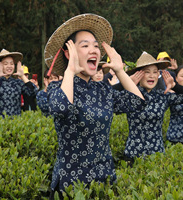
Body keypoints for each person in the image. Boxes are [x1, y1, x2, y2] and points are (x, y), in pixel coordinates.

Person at [43, 13, 146, 197]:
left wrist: (120, 70)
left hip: (104, 179)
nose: (94, 50)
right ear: (68, 53)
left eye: (96, 46)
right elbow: (61, 107)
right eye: (85, 45)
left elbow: (138, 103)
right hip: (71, 185)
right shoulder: (57, 87)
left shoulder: (103, 90)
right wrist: (70, 70)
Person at [123, 52, 183, 161]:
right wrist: (127, 84)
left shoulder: (162, 96)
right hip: (133, 154)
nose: (152, 75)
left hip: (157, 154)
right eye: (147, 72)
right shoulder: (130, 95)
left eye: (155, 72)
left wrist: (174, 86)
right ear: (138, 74)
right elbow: (107, 97)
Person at [0, 49, 38, 117]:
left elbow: (33, 92)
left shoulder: (18, 83)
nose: (9, 66)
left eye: (12, 63)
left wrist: (22, 76)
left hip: (15, 124)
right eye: (6, 64)